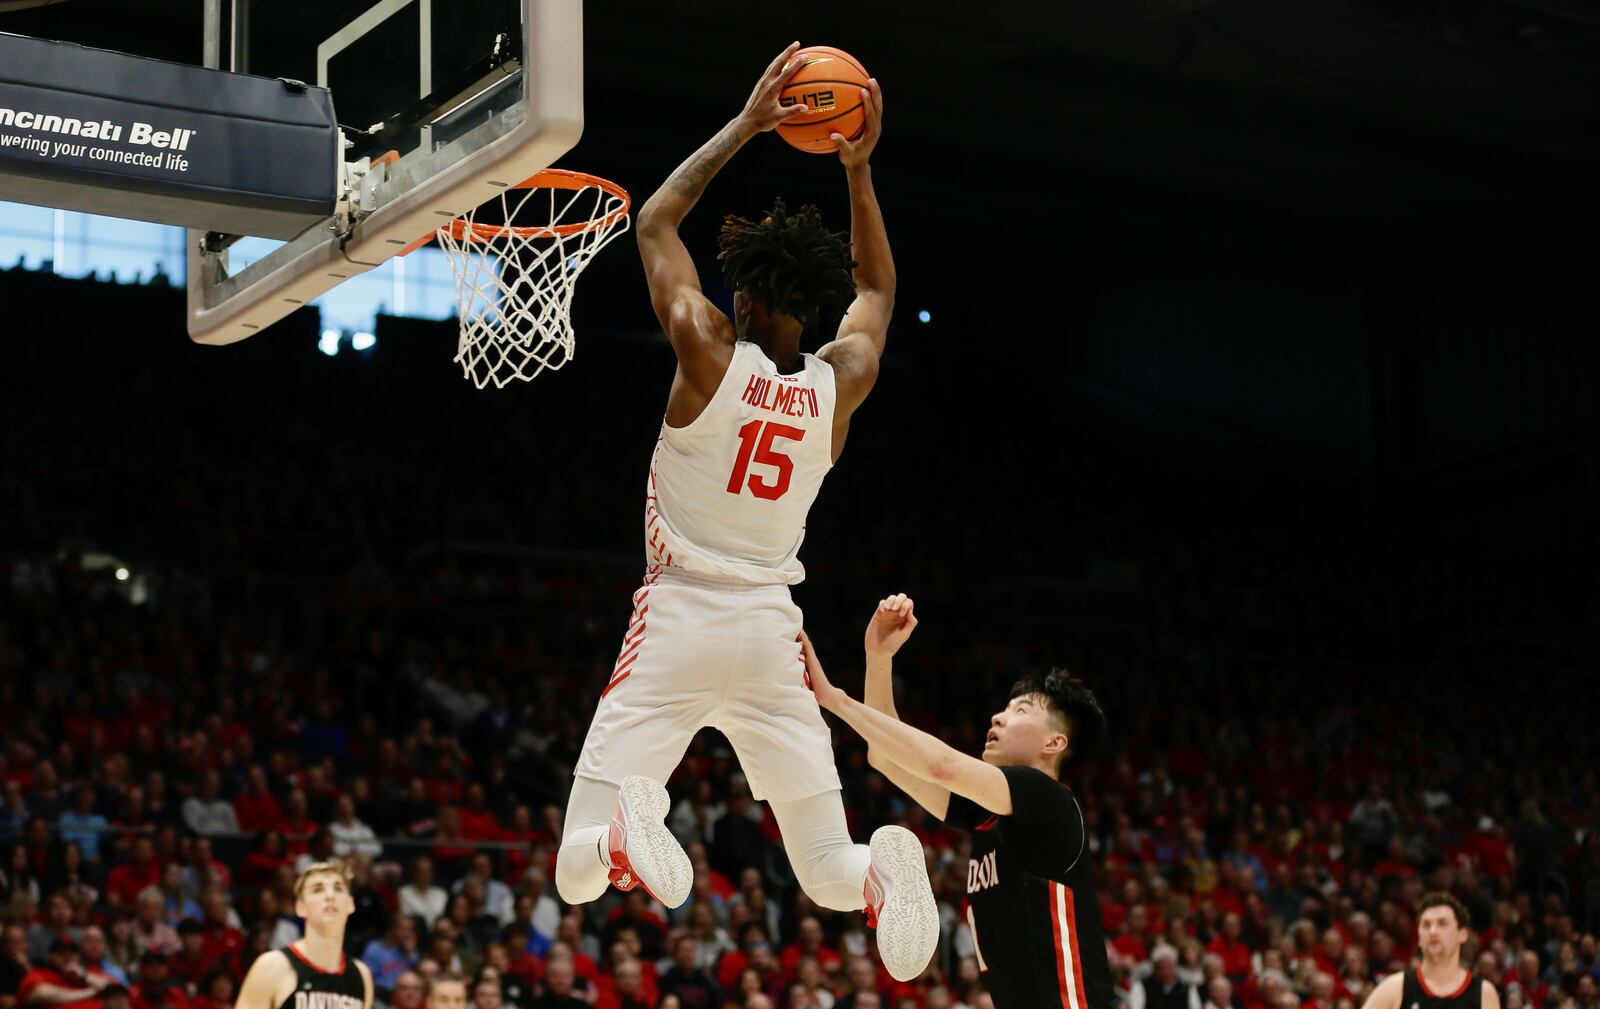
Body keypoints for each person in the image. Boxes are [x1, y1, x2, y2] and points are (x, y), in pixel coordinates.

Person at [554, 43, 934, 983]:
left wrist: (751, 122)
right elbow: (879, 293)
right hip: (773, 632)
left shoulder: (706, 353)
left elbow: (656, 221)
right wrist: (858, 165)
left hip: (680, 612)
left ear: (746, 291)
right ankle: (885, 871)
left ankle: (625, 841)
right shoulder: (838, 386)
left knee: (573, 872)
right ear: (810, 303)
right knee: (824, 865)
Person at [799, 594, 1116, 1009]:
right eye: (1002, 708)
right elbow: (886, 757)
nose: (998, 717)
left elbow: (942, 766)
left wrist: (835, 700)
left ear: (1055, 743)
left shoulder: (1049, 800)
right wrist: (878, 660)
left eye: (1020, 711)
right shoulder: (988, 817)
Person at [234, 863, 373, 1009]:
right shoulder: (272, 966)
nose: (330, 896)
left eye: (338, 888)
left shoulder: (361, 975)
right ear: (300, 907)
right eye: (318, 890)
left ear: (350, 904)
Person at [1357, 894, 1501, 1009]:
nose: (1432, 931)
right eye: (1426, 925)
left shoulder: (1483, 993)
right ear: (1419, 937)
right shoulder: (1395, 987)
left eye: (1442, 923)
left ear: (1462, 934)